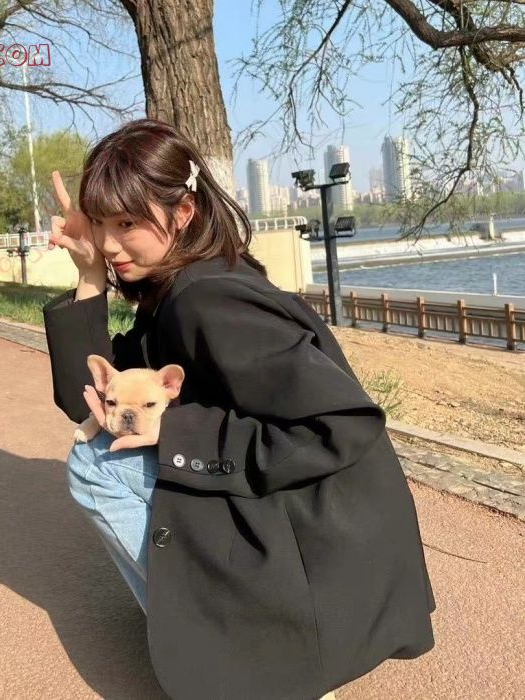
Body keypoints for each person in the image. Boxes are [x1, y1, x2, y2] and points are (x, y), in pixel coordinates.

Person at [42, 118, 436, 700]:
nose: (108, 243)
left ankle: (241, 650)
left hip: (324, 539)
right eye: (100, 223)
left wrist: (175, 431)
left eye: (126, 223)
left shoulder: (208, 300)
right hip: (297, 507)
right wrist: (89, 277)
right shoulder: (178, 288)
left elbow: (340, 425)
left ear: (183, 212)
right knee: (104, 447)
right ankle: (202, 626)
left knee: (98, 466)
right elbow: (91, 398)